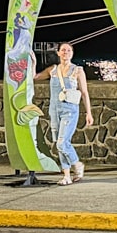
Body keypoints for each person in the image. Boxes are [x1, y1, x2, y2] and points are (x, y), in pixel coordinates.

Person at [34, 42, 93, 185]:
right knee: (59, 142)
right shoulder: (52, 70)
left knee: (62, 142)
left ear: (72, 53)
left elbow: (84, 93)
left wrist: (88, 113)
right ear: (58, 53)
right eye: (63, 50)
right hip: (55, 110)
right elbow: (35, 77)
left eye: (68, 50)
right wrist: (32, 61)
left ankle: (77, 164)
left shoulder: (78, 70)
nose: (65, 52)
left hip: (70, 110)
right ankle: (66, 175)